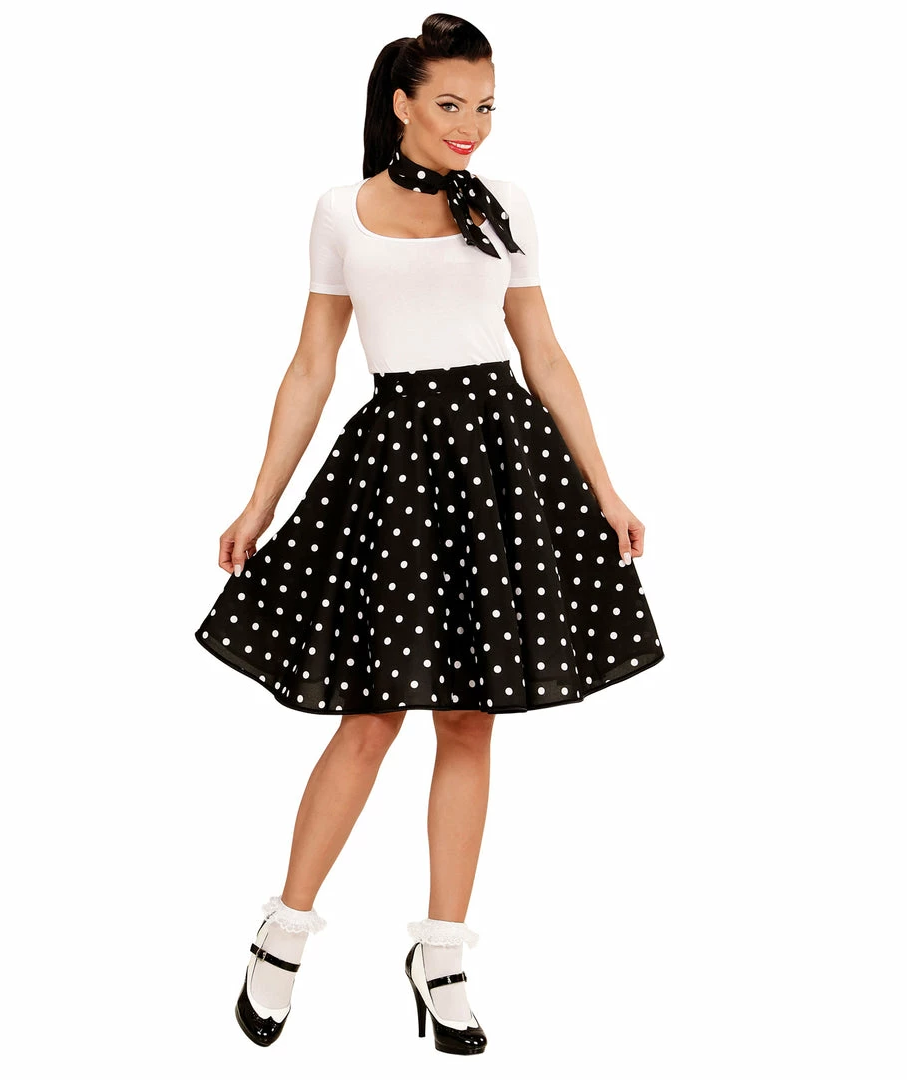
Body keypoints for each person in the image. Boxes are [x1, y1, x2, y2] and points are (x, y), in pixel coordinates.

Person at [193, 12, 665, 1055]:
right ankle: (284, 930)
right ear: (401, 103)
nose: (472, 126)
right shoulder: (340, 210)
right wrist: (259, 500)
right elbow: (312, 365)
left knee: (468, 719)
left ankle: (441, 954)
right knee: (369, 717)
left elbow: (544, 353)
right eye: (451, 104)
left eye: (486, 106)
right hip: (397, 469)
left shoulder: (507, 204)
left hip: (501, 462)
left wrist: (606, 487)